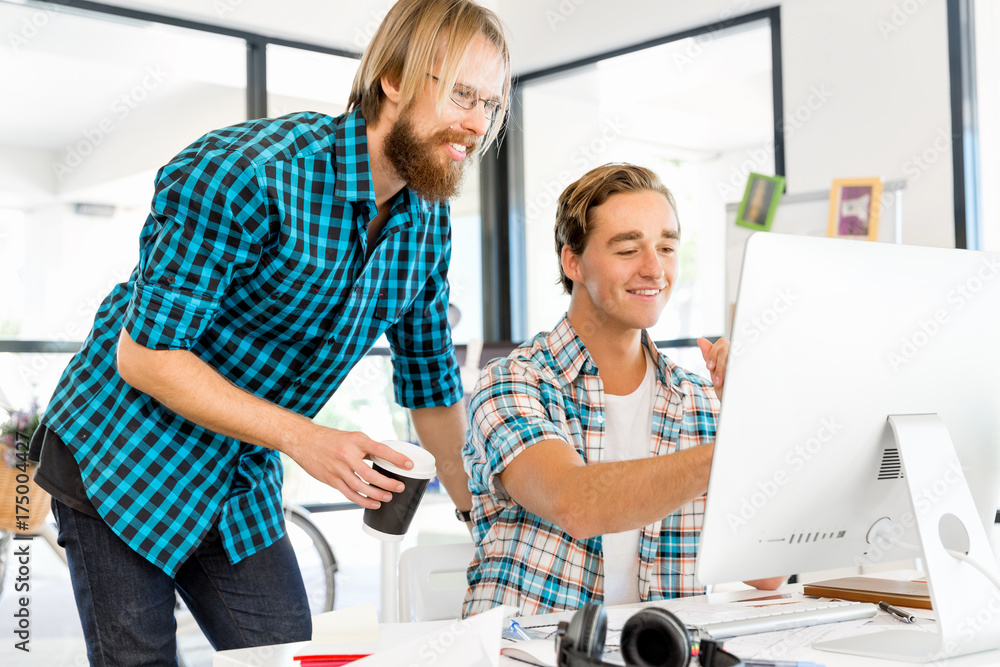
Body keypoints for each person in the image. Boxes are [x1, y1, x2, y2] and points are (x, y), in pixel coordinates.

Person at [28, 0, 511, 663]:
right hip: (122, 456)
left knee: (285, 654)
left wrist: (473, 515)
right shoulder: (248, 173)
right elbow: (146, 357)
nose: (477, 123)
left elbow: (430, 385)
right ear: (393, 76)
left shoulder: (427, 226)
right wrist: (305, 437)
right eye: (462, 93)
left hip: (238, 473)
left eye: (489, 103)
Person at [462, 164, 783, 617]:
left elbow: (767, 573)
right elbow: (576, 503)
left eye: (667, 247)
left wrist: (748, 416)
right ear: (572, 261)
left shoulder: (697, 398)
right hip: (533, 652)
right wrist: (732, 451)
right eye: (629, 249)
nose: (654, 269)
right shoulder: (512, 384)